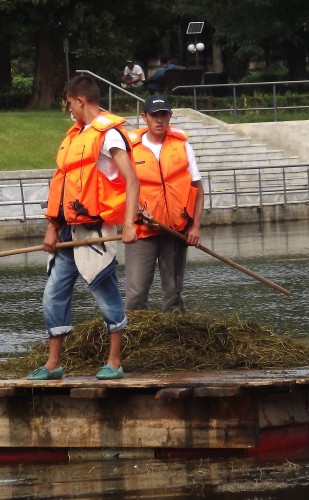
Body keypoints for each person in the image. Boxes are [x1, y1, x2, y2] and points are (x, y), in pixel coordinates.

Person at [27, 75, 139, 381]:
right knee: (53, 294)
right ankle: (53, 365)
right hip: (66, 231)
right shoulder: (75, 135)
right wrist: (52, 227)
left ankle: (114, 362)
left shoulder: (109, 135)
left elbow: (132, 179)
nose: (69, 112)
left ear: (80, 100)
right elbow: (62, 186)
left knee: (105, 291)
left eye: (69, 105)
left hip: (93, 230)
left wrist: (128, 224)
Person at [124, 95, 204, 313]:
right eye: (154, 115)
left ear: (169, 117)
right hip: (142, 230)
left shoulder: (182, 145)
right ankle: (134, 337)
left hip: (175, 230)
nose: (159, 120)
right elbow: (120, 189)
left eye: (164, 115)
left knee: (173, 294)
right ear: (144, 117)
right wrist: (138, 212)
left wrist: (195, 227)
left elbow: (197, 188)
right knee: (137, 293)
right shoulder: (130, 148)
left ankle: (177, 337)